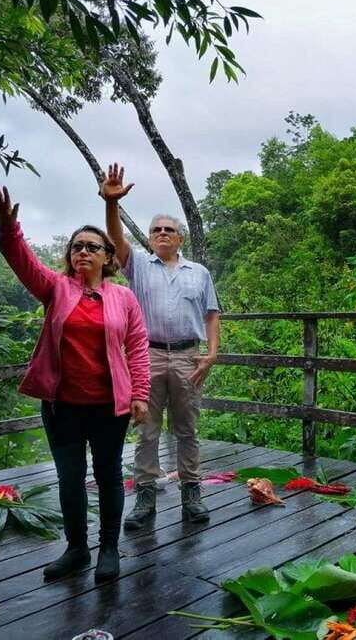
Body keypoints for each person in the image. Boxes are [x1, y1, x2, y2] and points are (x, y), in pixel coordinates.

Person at [0, 184, 150, 583]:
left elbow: (138, 346)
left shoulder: (123, 298)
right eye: (77, 246)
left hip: (109, 405)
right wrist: (9, 230)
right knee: (70, 478)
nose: (83, 252)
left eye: (92, 247)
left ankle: (108, 548)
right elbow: (21, 261)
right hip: (63, 406)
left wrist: (141, 395)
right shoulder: (56, 289)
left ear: (108, 257)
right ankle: (77, 549)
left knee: (110, 474)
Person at [101, 164, 221, 528]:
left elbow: (212, 314)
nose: (163, 234)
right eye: (157, 230)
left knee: (187, 429)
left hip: (187, 356)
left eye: (169, 230)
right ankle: (145, 499)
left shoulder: (198, 272)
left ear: (179, 238)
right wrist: (112, 204)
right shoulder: (137, 266)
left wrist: (212, 354)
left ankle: (192, 494)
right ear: (150, 238)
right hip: (146, 355)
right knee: (147, 430)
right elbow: (115, 240)